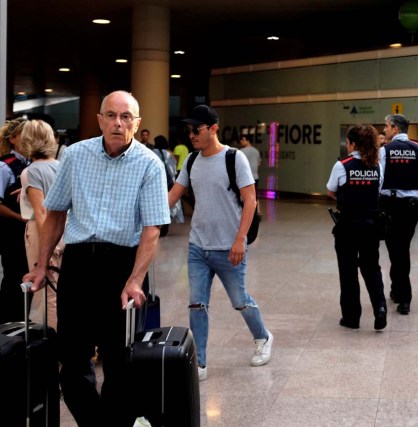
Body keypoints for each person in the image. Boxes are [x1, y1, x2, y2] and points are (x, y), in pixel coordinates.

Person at [23, 90, 170, 427]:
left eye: (126, 117)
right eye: (112, 115)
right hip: (78, 264)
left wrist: (135, 279)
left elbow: (151, 230)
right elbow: (56, 214)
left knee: (119, 363)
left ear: (137, 123)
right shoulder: (75, 155)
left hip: (122, 267)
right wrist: (42, 265)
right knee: (72, 362)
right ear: (100, 119)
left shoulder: (149, 164)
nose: (118, 123)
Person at [168, 105, 273, 382]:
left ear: (213, 128)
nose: (191, 134)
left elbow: (250, 200)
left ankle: (263, 336)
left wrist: (240, 240)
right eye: (189, 130)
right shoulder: (191, 161)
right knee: (196, 304)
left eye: (197, 129)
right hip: (198, 246)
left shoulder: (234, 158)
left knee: (239, 300)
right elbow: (173, 196)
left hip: (229, 246)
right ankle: (199, 363)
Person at [326, 124, 387, 330]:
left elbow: (331, 191)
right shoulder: (377, 166)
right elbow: (377, 191)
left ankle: (351, 318)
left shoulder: (342, 165)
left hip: (348, 227)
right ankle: (380, 309)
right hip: (371, 226)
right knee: (372, 268)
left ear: (351, 143)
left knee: (348, 271)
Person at [379, 114, 418, 315]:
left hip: (390, 205)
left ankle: (404, 297)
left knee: (395, 249)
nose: (384, 130)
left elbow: (379, 180)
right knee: (401, 248)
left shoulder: (385, 150)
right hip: (411, 207)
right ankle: (397, 291)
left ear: (395, 129)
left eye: (386, 127)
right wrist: (416, 179)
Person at [19, 119, 63, 330]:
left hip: (42, 233)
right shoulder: (61, 166)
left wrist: (47, 250)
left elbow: (41, 211)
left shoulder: (30, 172)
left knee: (47, 293)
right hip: (66, 230)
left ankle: (55, 353)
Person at [0, 117, 30, 324]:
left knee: (28, 275)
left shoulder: (33, 164)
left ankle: (26, 323)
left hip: (30, 232)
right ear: (13, 138)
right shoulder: (4, 167)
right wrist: (20, 217)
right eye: (25, 134)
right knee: (13, 276)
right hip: (11, 231)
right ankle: (7, 324)